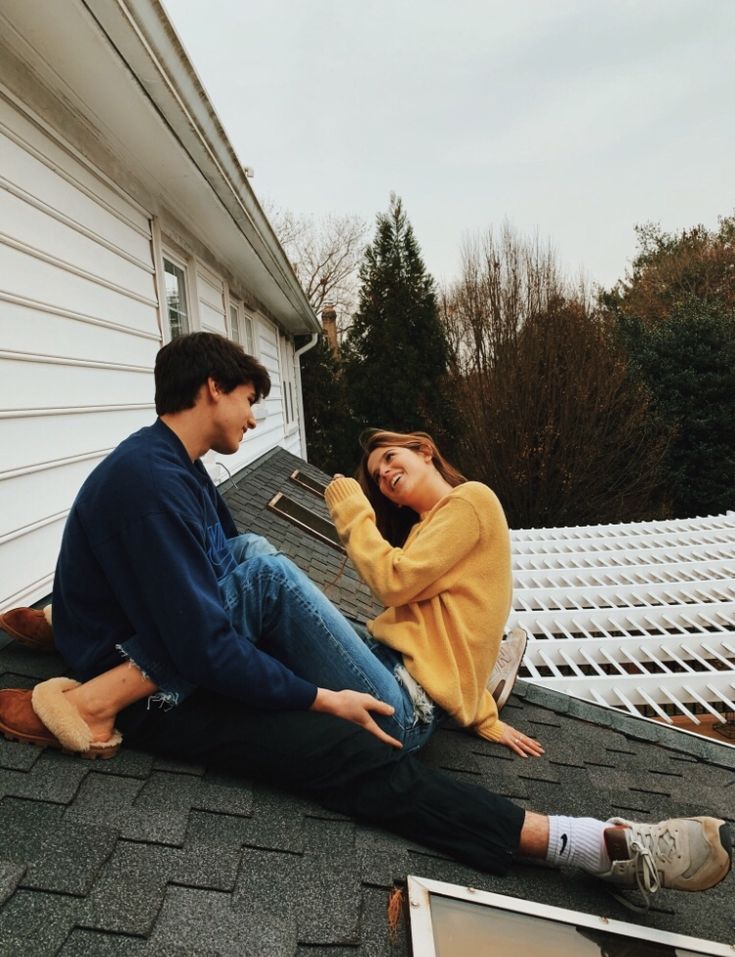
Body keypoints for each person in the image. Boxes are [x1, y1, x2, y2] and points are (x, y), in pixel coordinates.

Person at [0, 332, 730, 900]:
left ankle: (79, 645)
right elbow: (205, 633)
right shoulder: (151, 480)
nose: (256, 416)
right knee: (357, 752)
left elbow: (205, 579)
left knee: (252, 551)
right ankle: (602, 846)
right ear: (211, 388)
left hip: (183, 651)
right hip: (166, 697)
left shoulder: (173, 469)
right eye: (249, 398)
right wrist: (321, 695)